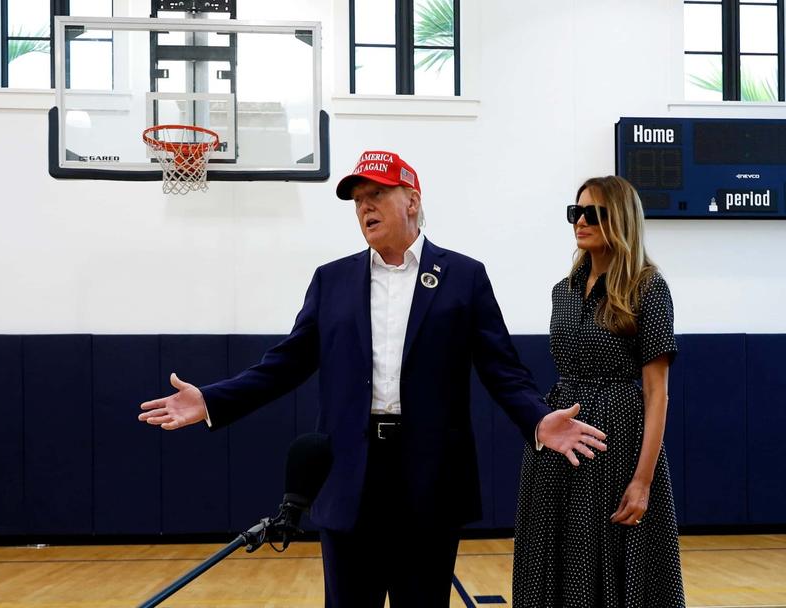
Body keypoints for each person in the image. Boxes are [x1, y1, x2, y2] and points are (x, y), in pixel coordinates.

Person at [138, 150, 608, 608]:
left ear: (412, 201)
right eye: (358, 199)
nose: (365, 206)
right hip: (350, 477)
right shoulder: (332, 281)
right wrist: (214, 401)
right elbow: (285, 363)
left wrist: (538, 420)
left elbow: (503, 369)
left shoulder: (464, 277)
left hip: (430, 479)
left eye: (377, 194)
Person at [511, 175, 686, 607]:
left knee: (613, 558)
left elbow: (656, 394)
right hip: (558, 444)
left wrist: (642, 481)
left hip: (617, 443)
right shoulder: (562, 292)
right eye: (577, 212)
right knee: (551, 560)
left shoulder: (649, 288)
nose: (581, 220)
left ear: (622, 219)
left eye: (594, 213)